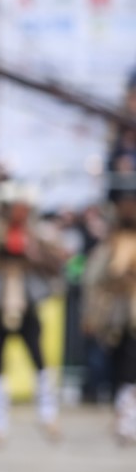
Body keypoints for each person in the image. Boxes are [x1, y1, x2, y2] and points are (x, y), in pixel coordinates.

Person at [0, 182, 65, 443]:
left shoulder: (37, 236)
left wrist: (35, 254)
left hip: (26, 301)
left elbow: (56, 265)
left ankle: (48, 415)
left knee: (39, 359)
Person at [82, 173, 136, 444]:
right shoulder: (111, 241)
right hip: (118, 311)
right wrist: (92, 313)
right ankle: (124, 415)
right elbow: (94, 277)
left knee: (130, 361)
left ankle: (127, 417)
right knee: (120, 360)